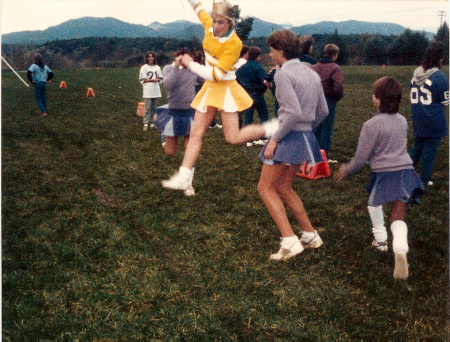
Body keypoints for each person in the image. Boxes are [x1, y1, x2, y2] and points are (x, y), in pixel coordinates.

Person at [162, 0, 277, 191]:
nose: (216, 26)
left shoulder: (234, 43)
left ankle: (269, 128)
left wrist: (191, 64)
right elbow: (198, 9)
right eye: (214, 21)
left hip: (225, 87)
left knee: (232, 137)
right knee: (196, 132)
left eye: (221, 23)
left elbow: (216, 75)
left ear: (230, 23)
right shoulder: (209, 25)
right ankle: (184, 176)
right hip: (210, 88)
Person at [335, 77, 424, 280]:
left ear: (378, 99)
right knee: (397, 216)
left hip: (384, 174)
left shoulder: (371, 125)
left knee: (373, 204)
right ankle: (400, 248)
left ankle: (381, 240)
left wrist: (347, 170)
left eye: (374, 94)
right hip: (406, 172)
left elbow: (360, 159)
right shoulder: (402, 120)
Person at [258, 29, 328, 261]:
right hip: (305, 136)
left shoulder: (281, 75)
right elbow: (323, 112)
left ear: (281, 51)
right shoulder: (312, 73)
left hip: (288, 136)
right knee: (284, 187)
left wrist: (276, 138)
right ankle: (310, 235)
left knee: (265, 188)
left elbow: (293, 112)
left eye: (272, 50)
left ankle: (289, 241)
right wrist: (307, 129)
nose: (270, 55)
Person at [157, 50, 204, 196]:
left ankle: (188, 185)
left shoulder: (193, 70)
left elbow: (206, 81)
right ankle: (163, 134)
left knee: (190, 150)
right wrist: (177, 67)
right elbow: (168, 85)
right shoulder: (168, 69)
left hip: (190, 113)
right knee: (170, 152)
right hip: (173, 113)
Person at [409, 41, 449, 187]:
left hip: (418, 116)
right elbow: (445, 102)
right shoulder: (439, 76)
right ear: (440, 58)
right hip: (433, 119)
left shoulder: (416, 73)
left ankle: (403, 171)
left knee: (417, 147)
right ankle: (424, 180)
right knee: (430, 150)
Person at [311, 44, 344, 162]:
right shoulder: (335, 68)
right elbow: (339, 86)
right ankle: (324, 156)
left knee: (316, 127)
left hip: (315, 99)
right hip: (328, 99)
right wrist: (336, 97)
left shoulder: (314, 67)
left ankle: (314, 154)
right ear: (334, 55)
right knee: (327, 127)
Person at [236, 46, 270, 127]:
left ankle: (248, 136)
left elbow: (237, 79)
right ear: (257, 57)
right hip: (257, 93)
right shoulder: (258, 67)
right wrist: (262, 89)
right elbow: (263, 80)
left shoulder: (241, 68)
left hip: (246, 93)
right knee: (263, 115)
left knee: (248, 116)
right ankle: (264, 136)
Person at [139, 51, 162, 131]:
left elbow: (160, 78)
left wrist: (157, 80)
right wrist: (151, 80)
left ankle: (153, 123)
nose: (151, 58)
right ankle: (146, 123)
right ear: (147, 58)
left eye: (152, 57)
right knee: (147, 108)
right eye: (149, 57)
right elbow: (142, 80)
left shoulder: (157, 67)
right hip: (148, 90)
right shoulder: (144, 67)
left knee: (154, 108)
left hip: (155, 90)